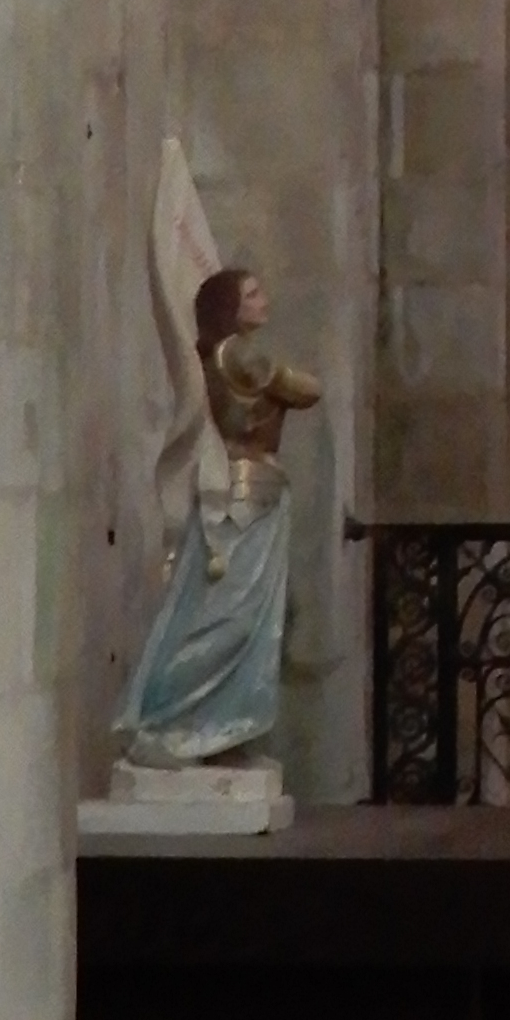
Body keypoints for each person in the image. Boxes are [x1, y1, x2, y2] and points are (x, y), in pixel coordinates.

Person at [113, 266, 317, 770]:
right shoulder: (239, 354)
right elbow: (307, 389)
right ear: (231, 308)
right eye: (252, 294)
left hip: (257, 488)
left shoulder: (234, 353)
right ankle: (169, 722)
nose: (263, 300)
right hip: (246, 491)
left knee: (251, 619)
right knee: (229, 617)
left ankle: (219, 730)